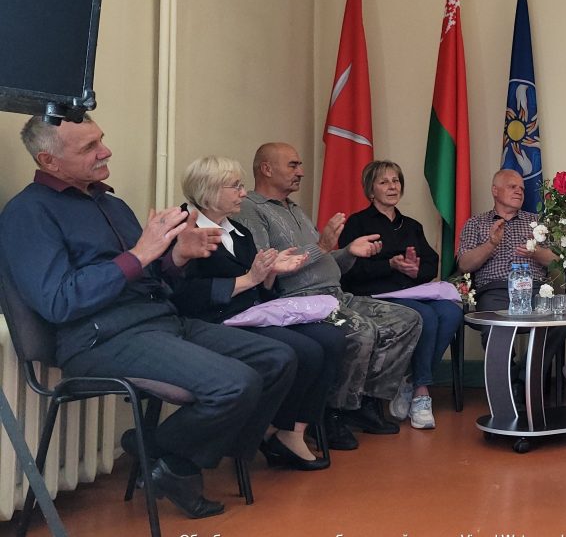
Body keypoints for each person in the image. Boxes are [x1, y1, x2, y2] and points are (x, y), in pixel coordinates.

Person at [0, 115, 296, 518]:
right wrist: (140, 254)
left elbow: (151, 275)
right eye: (88, 147)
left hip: (160, 320)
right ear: (48, 161)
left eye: (101, 140)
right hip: (100, 338)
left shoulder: (112, 204)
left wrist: (177, 256)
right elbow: (58, 301)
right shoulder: (28, 213)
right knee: (235, 384)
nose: (105, 151)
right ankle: (173, 461)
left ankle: (166, 456)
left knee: (277, 359)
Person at [235, 142, 421, 449]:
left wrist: (348, 252)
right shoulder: (251, 210)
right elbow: (267, 267)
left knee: (407, 319)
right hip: (299, 300)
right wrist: (321, 246)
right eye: (293, 165)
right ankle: (333, 413)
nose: (301, 172)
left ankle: (364, 402)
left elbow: (324, 262)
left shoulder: (295, 209)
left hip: (335, 293)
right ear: (266, 169)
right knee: (361, 332)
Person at [171, 156, 340, 469]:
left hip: (250, 315)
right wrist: (250, 278)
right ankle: (266, 431)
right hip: (210, 321)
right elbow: (183, 294)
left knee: (331, 339)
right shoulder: (184, 229)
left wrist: (270, 272)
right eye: (235, 187)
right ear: (209, 190)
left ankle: (291, 430)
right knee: (305, 351)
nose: (243, 193)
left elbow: (260, 291)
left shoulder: (239, 231)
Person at [338, 161, 463, 430]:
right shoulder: (358, 223)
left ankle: (408, 379)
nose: (392, 186)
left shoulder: (411, 225)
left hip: (410, 292)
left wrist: (417, 270)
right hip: (373, 295)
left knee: (451, 312)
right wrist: (389, 265)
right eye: (384, 182)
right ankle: (421, 391)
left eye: (396, 181)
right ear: (370, 190)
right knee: (426, 315)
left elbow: (431, 262)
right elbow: (348, 272)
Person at [457, 169, 566, 389]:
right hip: (495, 291)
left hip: (535, 289)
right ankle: (509, 383)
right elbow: (464, 265)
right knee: (495, 326)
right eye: (512, 186)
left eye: (522, 189)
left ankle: (524, 377)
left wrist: (535, 252)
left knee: (561, 322)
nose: (519, 191)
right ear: (495, 190)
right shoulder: (476, 223)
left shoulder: (536, 222)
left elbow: (557, 261)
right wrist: (490, 244)